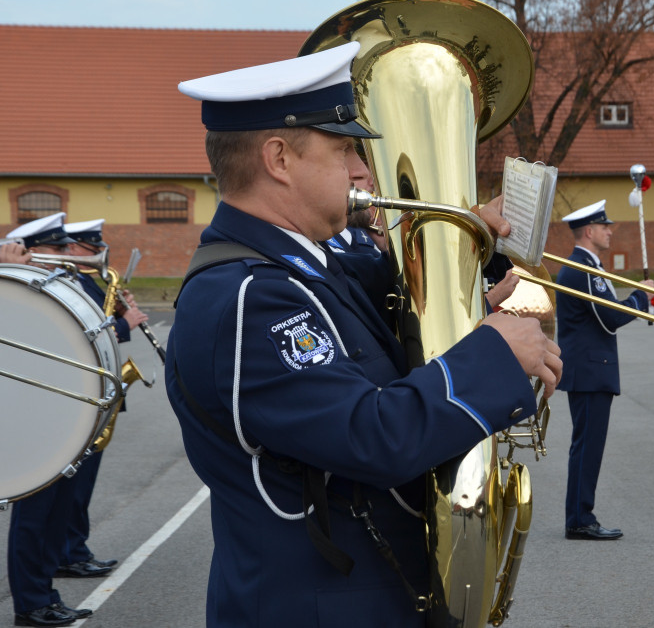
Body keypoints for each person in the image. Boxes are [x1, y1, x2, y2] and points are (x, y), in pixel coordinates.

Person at [167, 42, 561, 627]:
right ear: (279, 158)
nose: (361, 170)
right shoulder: (251, 298)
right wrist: (494, 353)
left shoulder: (311, 267)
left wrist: (470, 247)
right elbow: (368, 435)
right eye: (346, 148)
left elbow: (381, 340)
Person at [3, 213, 96, 627]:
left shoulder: (50, 288)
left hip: (57, 413)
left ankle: (45, 595)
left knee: (55, 512)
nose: (62, 256)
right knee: (34, 517)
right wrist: (10, 273)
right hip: (26, 419)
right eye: (55, 249)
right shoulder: (12, 288)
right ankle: (31, 603)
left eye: (62, 248)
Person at [54, 219, 147, 579]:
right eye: (91, 250)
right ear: (77, 249)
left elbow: (101, 319)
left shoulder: (86, 280)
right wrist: (125, 325)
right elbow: (86, 335)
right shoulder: (67, 282)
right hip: (82, 394)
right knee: (73, 488)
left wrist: (122, 311)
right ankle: (69, 552)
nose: (97, 256)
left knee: (83, 485)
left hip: (98, 390)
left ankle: (75, 548)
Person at [556, 200, 654, 541]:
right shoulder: (583, 270)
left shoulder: (586, 268)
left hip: (590, 371)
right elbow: (609, 317)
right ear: (589, 231)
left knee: (586, 446)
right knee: (587, 447)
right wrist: (641, 300)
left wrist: (639, 300)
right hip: (589, 372)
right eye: (605, 226)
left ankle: (579, 516)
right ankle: (580, 519)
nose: (610, 231)